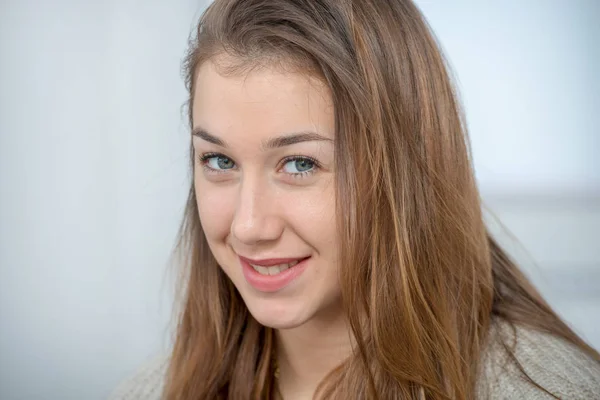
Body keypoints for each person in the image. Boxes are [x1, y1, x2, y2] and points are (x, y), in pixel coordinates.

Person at [109, 0, 600, 399]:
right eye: (219, 161)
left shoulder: (547, 390)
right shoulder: (152, 391)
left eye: (300, 164)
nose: (248, 226)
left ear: (406, 174)